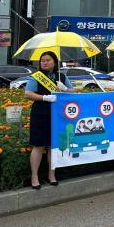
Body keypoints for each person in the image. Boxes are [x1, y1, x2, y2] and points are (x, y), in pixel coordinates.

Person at [25, 51, 74, 189]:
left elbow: (74, 92)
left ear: (55, 62)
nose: (45, 62)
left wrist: (64, 89)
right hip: (40, 113)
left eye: (48, 60)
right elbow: (28, 93)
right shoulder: (36, 77)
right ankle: (34, 176)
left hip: (58, 115)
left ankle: (51, 174)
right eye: (42, 60)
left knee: (53, 146)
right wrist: (44, 97)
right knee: (38, 146)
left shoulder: (62, 77)